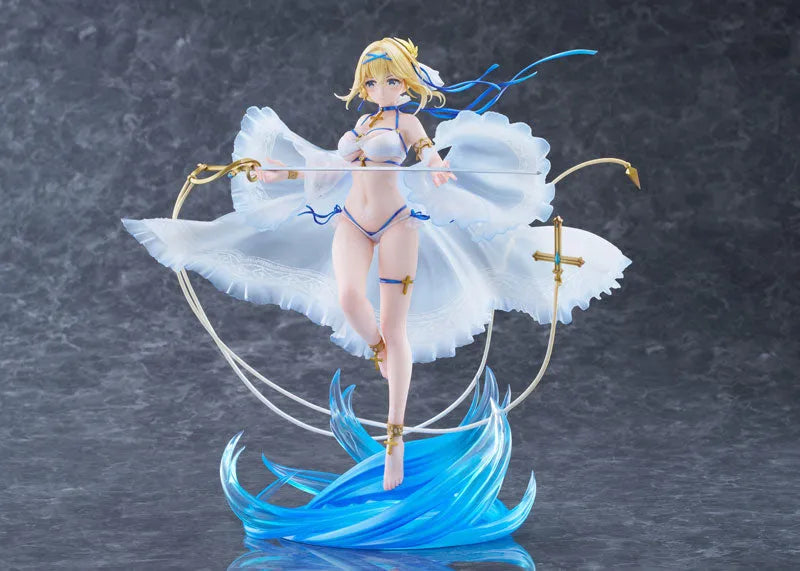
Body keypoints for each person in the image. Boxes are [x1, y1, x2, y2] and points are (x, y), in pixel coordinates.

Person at [121, 37, 631, 492]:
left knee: (394, 324)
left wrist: (436, 165)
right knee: (349, 299)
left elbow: (427, 154)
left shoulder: (406, 123)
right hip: (351, 221)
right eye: (371, 81)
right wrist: (281, 175)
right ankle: (381, 352)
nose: (380, 88)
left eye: (390, 80)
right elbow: (331, 168)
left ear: (406, 82)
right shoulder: (362, 124)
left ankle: (394, 441)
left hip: (397, 226)